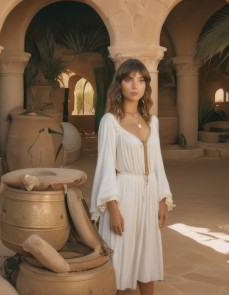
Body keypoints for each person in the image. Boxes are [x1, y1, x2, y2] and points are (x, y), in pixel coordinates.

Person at [90, 59, 175, 294]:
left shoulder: (152, 121)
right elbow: (106, 166)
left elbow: (157, 163)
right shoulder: (110, 121)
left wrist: (162, 198)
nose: (135, 85)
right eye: (129, 80)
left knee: (147, 256)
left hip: (148, 195)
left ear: (146, 85)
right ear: (120, 85)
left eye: (140, 80)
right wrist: (113, 208)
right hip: (123, 193)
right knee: (121, 260)